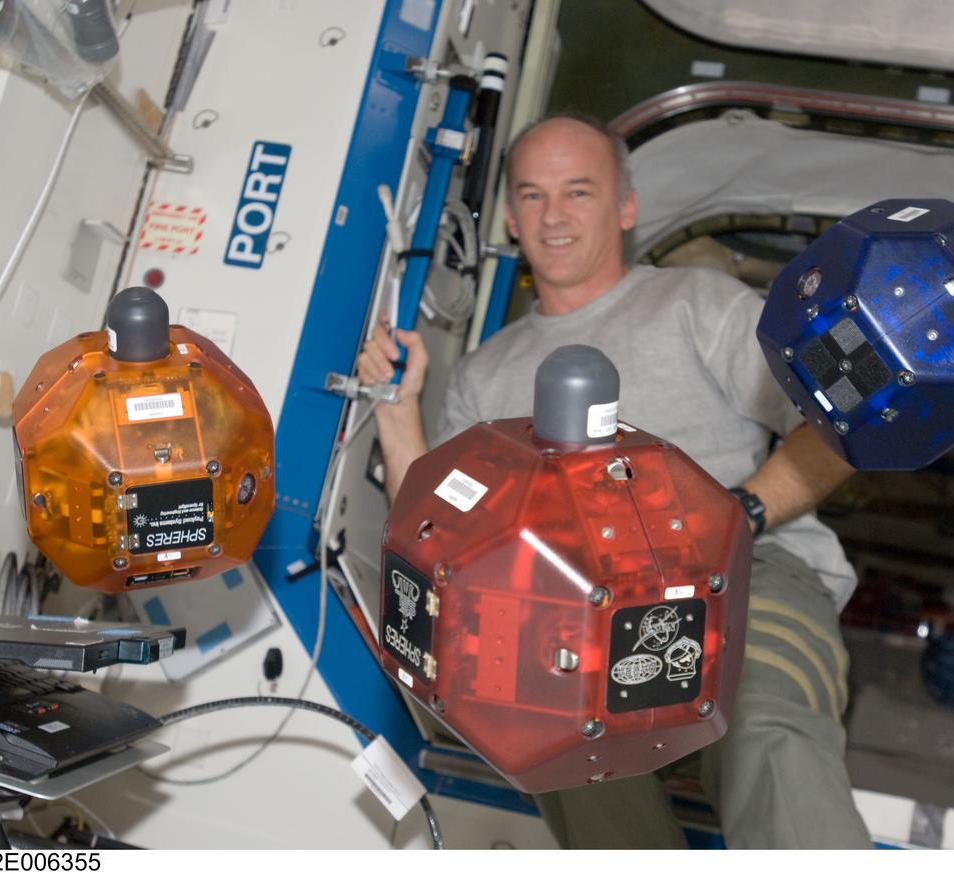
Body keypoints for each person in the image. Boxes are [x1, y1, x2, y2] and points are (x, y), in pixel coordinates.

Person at [357, 114, 873, 849]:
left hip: (745, 572)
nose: (554, 216)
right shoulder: (486, 375)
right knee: (550, 739)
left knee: (765, 724)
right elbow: (440, 538)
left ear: (626, 208)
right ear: (509, 217)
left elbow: (840, 421)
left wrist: (741, 515)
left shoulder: (698, 305)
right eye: (532, 196)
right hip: (560, 609)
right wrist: (400, 411)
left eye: (579, 192)